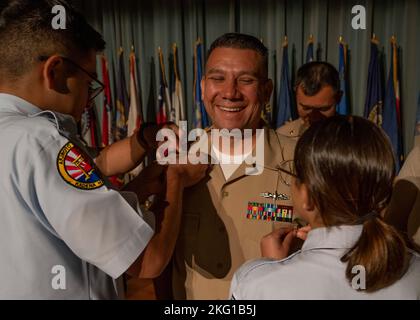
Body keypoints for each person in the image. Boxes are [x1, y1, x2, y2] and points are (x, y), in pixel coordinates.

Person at [0, 0, 206, 299]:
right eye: (89, 83)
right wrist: (176, 178)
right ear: (55, 72)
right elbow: (148, 260)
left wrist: (137, 185)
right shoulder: (42, 141)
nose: (89, 99)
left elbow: (51, 219)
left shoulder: (19, 136)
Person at [230, 115, 420, 299]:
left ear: (307, 196)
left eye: (293, 176)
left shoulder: (255, 283)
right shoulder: (414, 270)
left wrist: (271, 270)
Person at [170, 33, 297, 300]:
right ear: (203, 87)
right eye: (218, 79)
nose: (230, 93)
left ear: (267, 90)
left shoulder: (302, 163)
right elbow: (160, 261)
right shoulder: (176, 158)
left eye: (246, 80)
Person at [277, 61, 342, 140]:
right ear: (296, 96)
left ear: (339, 98)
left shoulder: (355, 138)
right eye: (307, 108)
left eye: (323, 109)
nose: (314, 117)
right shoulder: (280, 137)